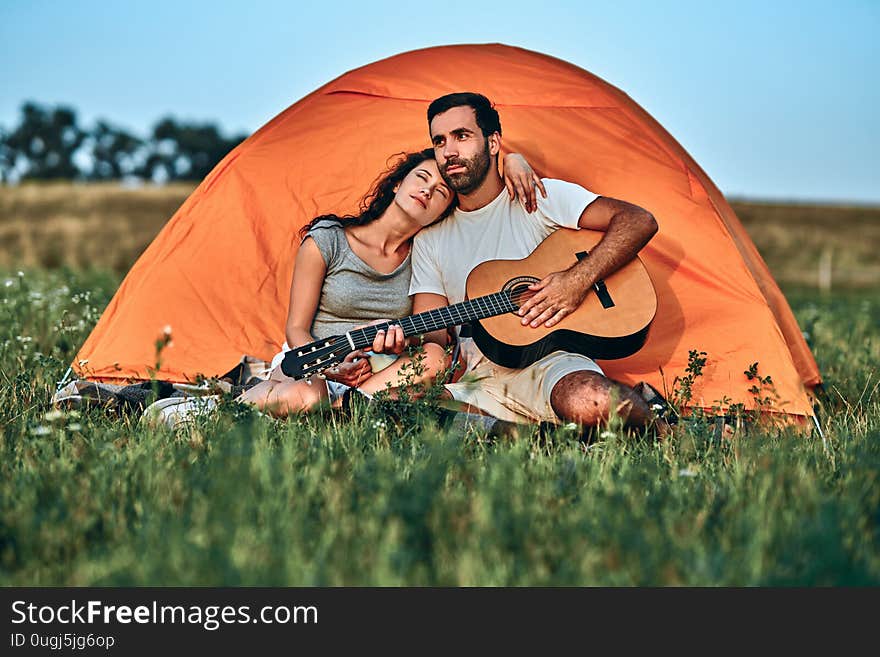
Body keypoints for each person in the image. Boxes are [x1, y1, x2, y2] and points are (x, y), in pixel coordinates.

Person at [146, 147, 542, 426]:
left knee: (434, 362)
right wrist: (333, 366)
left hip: (377, 375)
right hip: (312, 362)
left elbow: (432, 338)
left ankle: (347, 412)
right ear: (397, 184)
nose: (427, 190)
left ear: (445, 209)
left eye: (440, 191)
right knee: (311, 395)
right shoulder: (328, 239)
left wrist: (512, 158)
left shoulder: (425, 253)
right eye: (421, 178)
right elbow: (296, 328)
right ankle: (205, 414)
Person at [404, 92, 664, 429]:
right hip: (477, 380)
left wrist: (575, 281)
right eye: (439, 141)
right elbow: (433, 335)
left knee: (591, 401)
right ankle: (538, 435)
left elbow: (638, 221)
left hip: (553, 363)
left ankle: (662, 428)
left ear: (493, 142)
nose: (449, 151)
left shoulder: (540, 196)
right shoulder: (430, 240)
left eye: (462, 136)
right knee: (404, 411)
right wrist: (404, 338)